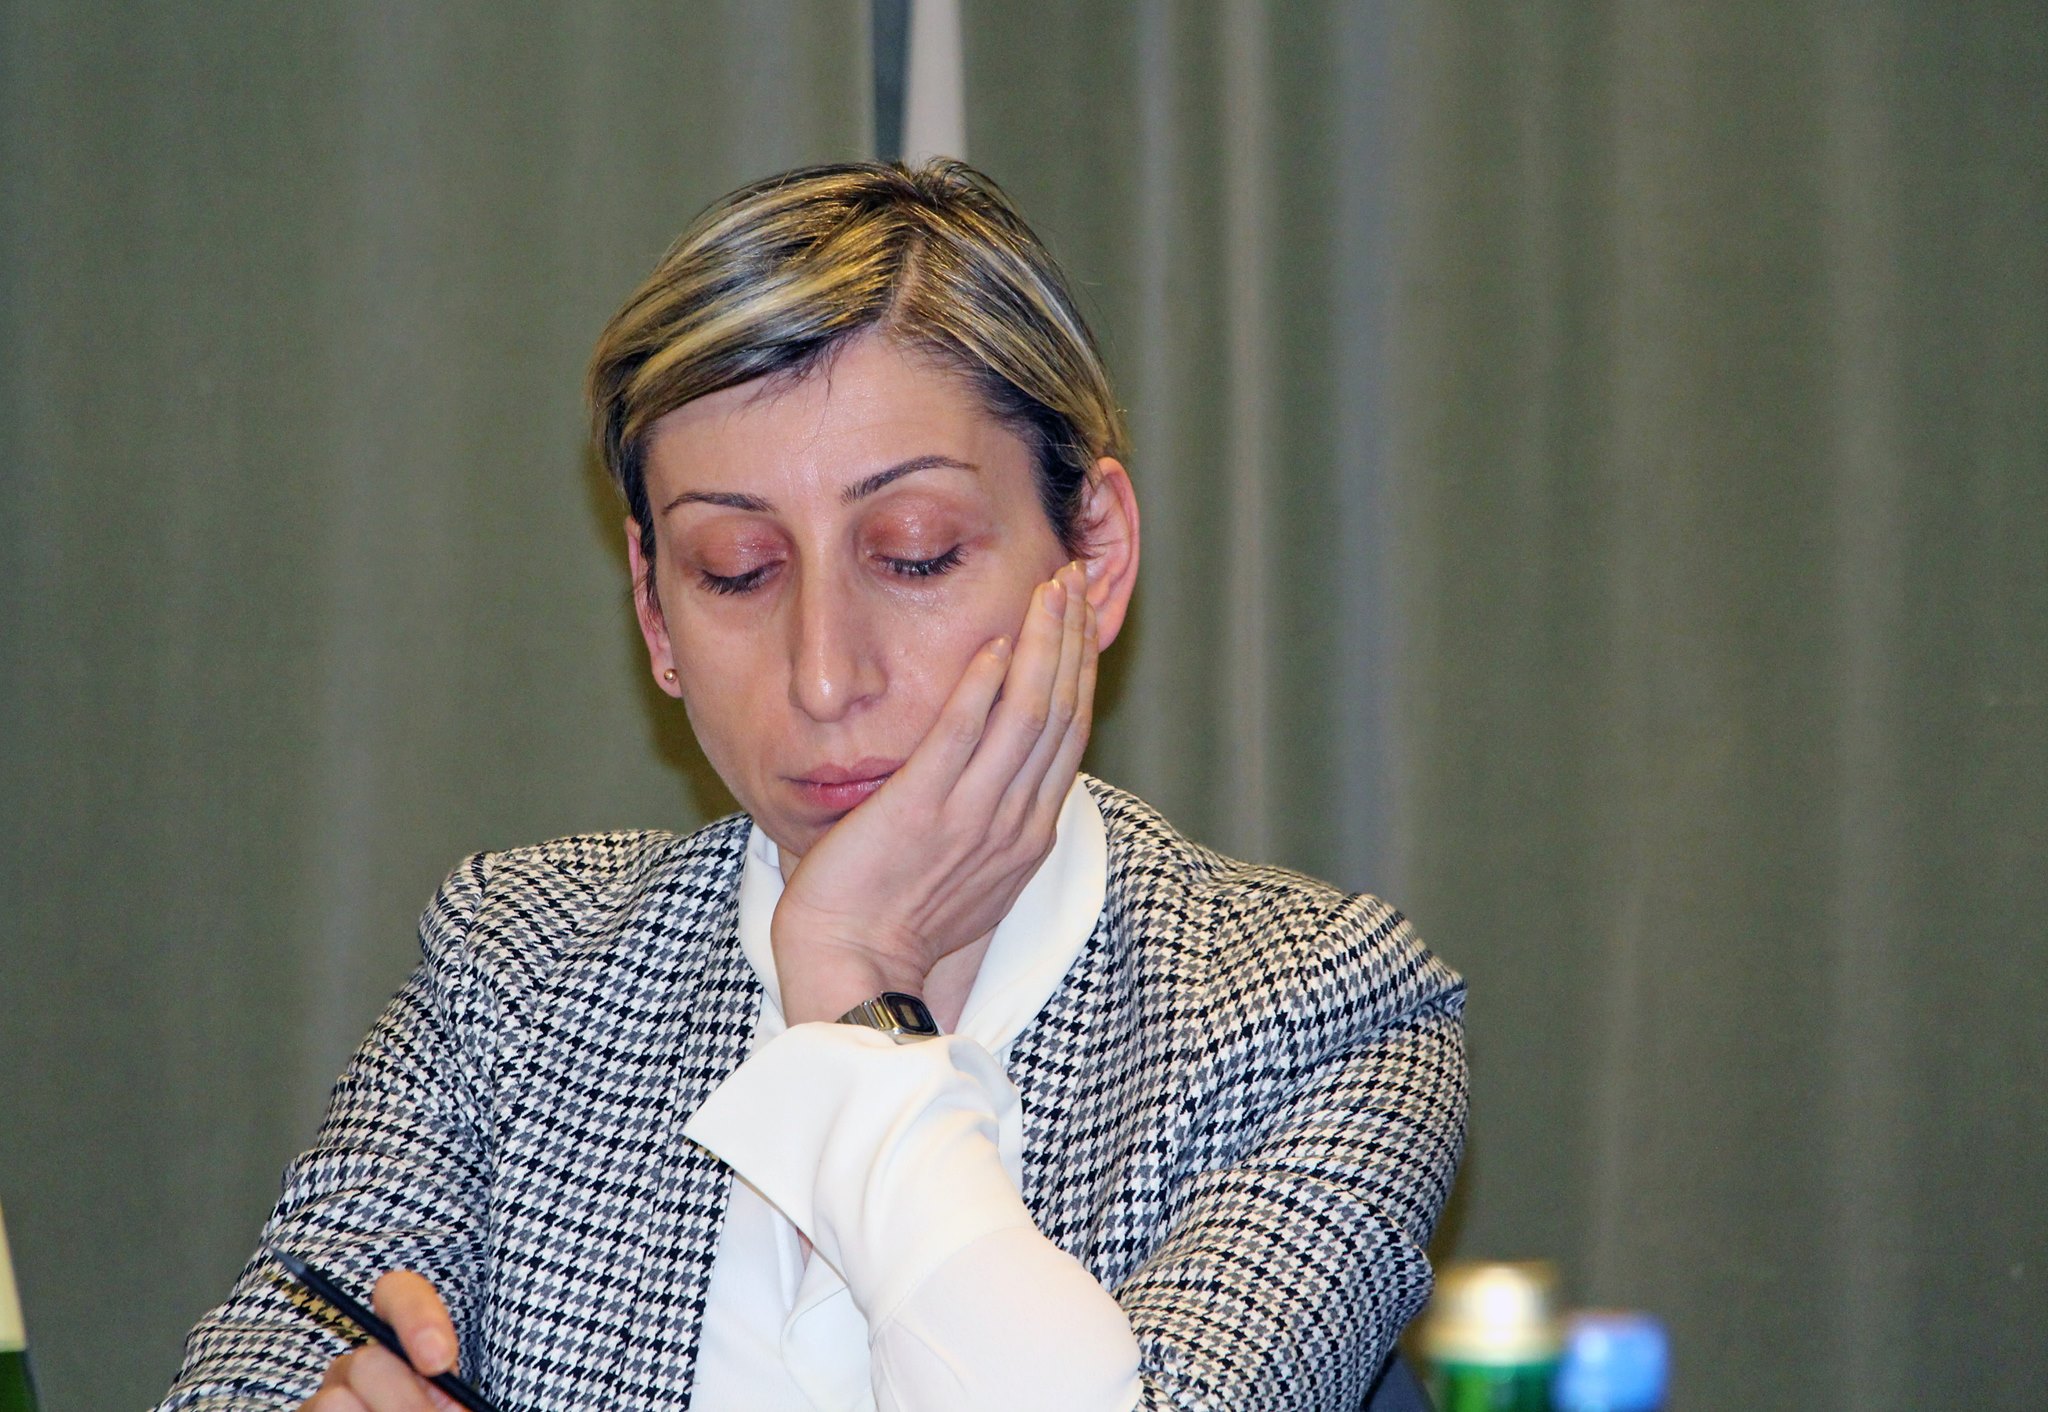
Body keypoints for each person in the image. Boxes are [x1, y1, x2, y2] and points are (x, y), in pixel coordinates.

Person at [158, 160, 1466, 1412]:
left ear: (1096, 555)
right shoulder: (522, 967)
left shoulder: (1316, 1012)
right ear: (654, 613)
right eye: (736, 570)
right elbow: (247, 1371)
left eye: (914, 554)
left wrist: (853, 977)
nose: (825, 674)